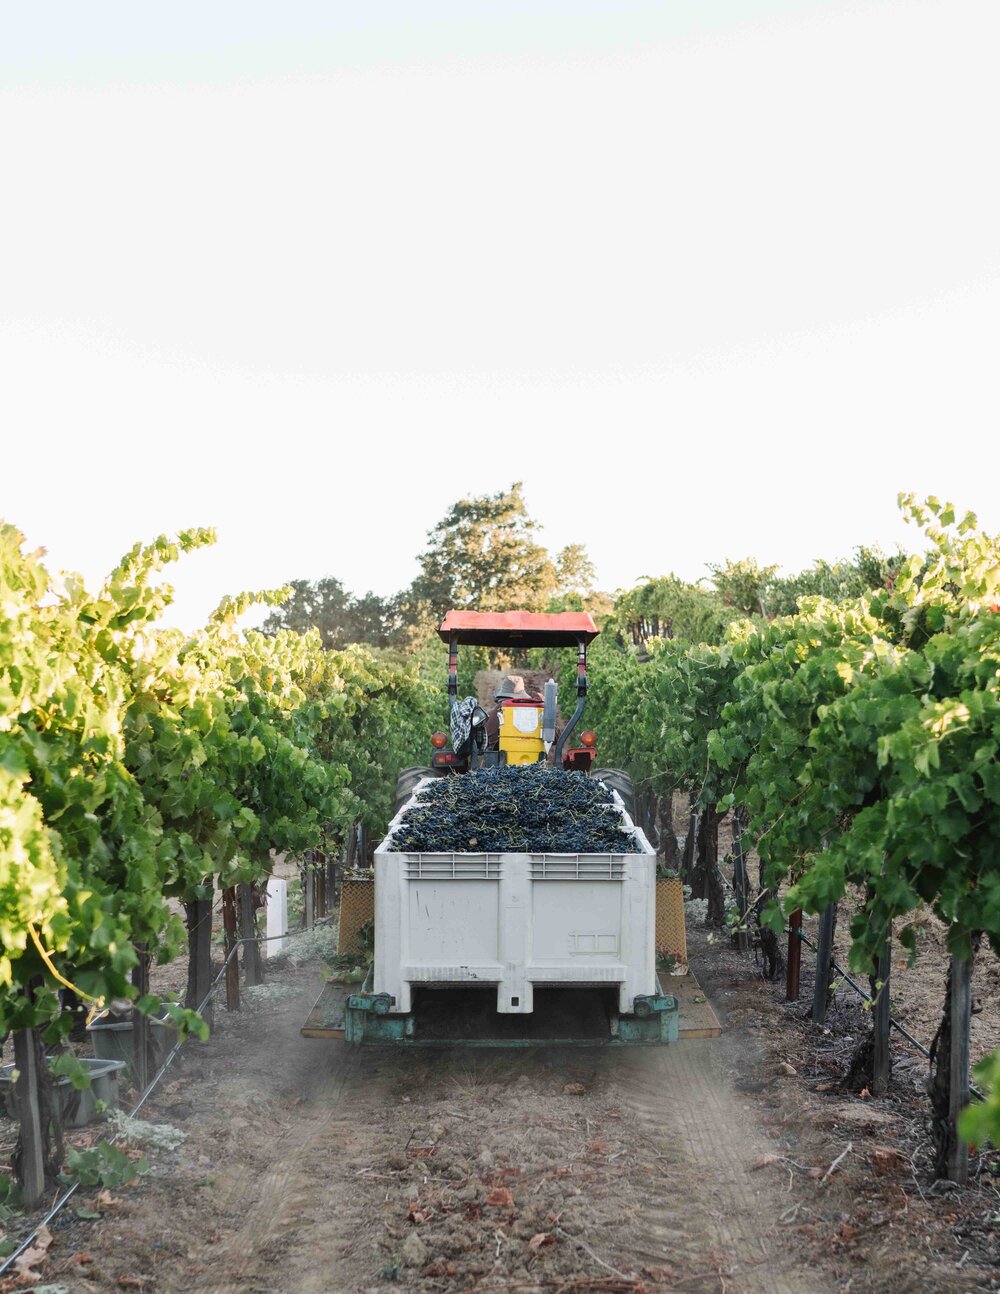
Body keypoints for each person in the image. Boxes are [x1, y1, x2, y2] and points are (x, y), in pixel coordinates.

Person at [484, 674, 539, 750]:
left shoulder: (487, 716)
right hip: (528, 760)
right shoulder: (533, 717)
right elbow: (555, 737)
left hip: (493, 760)